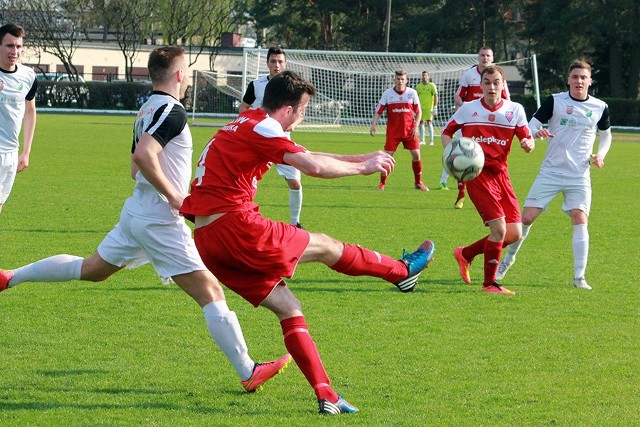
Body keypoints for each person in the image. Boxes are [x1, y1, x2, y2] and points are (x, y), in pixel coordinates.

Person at [0, 46, 290, 393]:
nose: (187, 78)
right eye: (186, 71)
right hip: (158, 218)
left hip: (137, 210)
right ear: (179, 75)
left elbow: (134, 165)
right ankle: (248, 370)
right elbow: (143, 156)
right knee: (211, 290)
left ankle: (10, 277)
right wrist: (175, 197)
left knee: (91, 269)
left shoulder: (148, 107)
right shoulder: (173, 112)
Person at [181, 70, 436, 415]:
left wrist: (362, 157)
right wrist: (363, 170)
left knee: (289, 307)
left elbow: (308, 153)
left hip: (208, 239)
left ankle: (327, 395)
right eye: (303, 109)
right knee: (327, 246)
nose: (303, 116)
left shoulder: (246, 122)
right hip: (235, 227)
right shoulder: (265, 127)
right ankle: (401, 271)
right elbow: (313, 166)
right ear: (288, 108)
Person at [496, 61, 611, 290]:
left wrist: (600, 154)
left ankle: (579, 277)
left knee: (580, 219)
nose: (579, 81)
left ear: (590, 81)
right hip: (551, 171)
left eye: (583, 77)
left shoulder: (600, 107)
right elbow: (530, 125)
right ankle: (506, 262)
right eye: (575, 76)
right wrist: (537, 132)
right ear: (568, 79)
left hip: (579, 174)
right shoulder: (555, 101)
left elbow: (606, 135)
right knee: (526, 218)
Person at [442, 65, 534, 295]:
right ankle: (490, 284)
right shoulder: (469, 109)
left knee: (515, 234)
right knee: (499, 230)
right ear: (480, 85)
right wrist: (453, 154)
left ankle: (466, 254)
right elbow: (447, 132)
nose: (491, 87)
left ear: (503, 85)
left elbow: (527, 139)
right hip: (477, 175)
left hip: (501, 175)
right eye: (487, 82)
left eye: (496, 82)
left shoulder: (515, 110)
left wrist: (528, 144)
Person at [239, 47, 304, 228]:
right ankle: (243, 215)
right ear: (267, 63)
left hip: (281, 140)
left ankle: (295, 223)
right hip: (257, 140)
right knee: (247, 178)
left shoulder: (293, 87)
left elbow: (300, 113)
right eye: (273, 61)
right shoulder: (256, 84)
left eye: (280, 61)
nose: (277, 65)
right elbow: (243, 108)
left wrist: (293, 124)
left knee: (295, 183)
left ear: (285, 63)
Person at [441, 47, 511, 202]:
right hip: (471, 121)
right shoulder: (469, 74)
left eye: (488, 55)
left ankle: (493, 191)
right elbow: (458, 96)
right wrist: (465, 107)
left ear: (492, 58)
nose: (485, 58)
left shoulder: (499, 77)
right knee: (462, 156)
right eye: (482, 55)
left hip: (490, 124)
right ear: (478, 57)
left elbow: (507, 101)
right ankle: (461, 194)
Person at [370, 70, 428, 191]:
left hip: (410, 131)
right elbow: (378, 111)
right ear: (394, 80)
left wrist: (416, 126)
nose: (400, 81)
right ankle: (382, 183)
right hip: (393, 132)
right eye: (398, 79)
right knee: (388, 157)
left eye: (402, 79)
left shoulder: (412, 93)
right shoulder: (388, 93)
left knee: (416, 155)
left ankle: (418, 182)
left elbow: (419, 112)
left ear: (406, 80)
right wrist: (373, 125)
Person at [0, 23, 37, 214]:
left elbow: (30, 111)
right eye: (9, 45)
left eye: (18, 46)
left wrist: (26, 151)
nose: (14, 51)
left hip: (11, 154)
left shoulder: (28, 76)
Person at [415, 71, 438, 146]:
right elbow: (415, 97)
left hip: (429, 108)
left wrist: (435, 108)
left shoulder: (432, 86)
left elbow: (435, 96)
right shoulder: (418, 86)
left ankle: (431, 141)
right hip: (421, 108)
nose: (424, 77)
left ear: (428, 77)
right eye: (423, 75)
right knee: (421, 123)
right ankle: (422, 140)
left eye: (425, 75)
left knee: (429, 122)